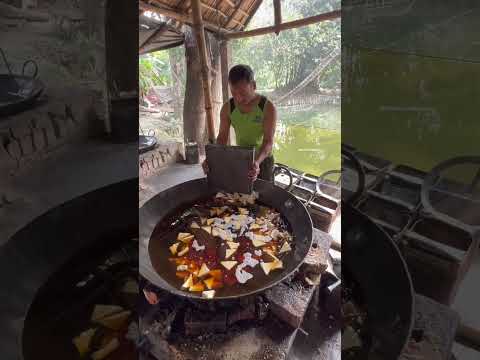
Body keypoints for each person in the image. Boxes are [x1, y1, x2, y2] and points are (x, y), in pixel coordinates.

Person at [202, 64, 277, 182]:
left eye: (243, 93)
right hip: (242, 157)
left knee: (264, 196)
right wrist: (213, 158)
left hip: (263, 159)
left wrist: (256, 162)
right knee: (242, 196)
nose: (238, 99)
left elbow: (268, 141)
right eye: (233, 93)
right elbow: (222, 138)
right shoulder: (228, 107)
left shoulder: (268, 107)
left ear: (254, 85)